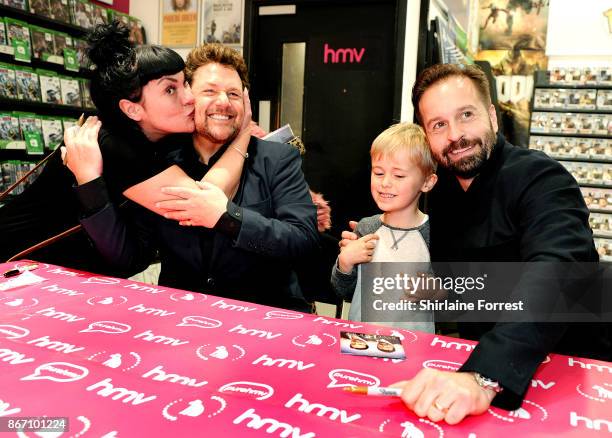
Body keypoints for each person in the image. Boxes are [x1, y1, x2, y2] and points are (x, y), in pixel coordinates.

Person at [341, 63, 609, 424]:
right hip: (476, 373)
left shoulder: (540, 176)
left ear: (493, 117)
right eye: (439, 125)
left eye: (466, 115)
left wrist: (484, 375)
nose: (456, 135)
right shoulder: (445, 191)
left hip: (566, 369)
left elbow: (560, 268)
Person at [74, 43, 319, 312]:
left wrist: (230, 219)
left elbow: (303, 240)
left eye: (234, 94)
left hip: (265, 318)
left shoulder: (276, 159)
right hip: (181, 318)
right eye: (210, 91)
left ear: (246, 102)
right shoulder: (162, 165)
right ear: (189, 98)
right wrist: (90, 184)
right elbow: (129, 258)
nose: (223, 102)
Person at [0, 21, 249, 271]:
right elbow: (203, 202)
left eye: (184, 83)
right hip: (12, 265)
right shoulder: (115, 147)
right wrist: (243, 133)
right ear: (132, 109)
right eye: (170, 90)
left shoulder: (153, 134)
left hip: (57, 275)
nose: (189, 97)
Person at [331, 123, 439, 331]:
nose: (385, 183)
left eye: (399, 176)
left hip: (415, 349)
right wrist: (345, 262)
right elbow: (343, 291)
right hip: (361, 342)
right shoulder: (366, 228)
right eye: (378, 173)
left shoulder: (435, 234)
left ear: (427, 182)